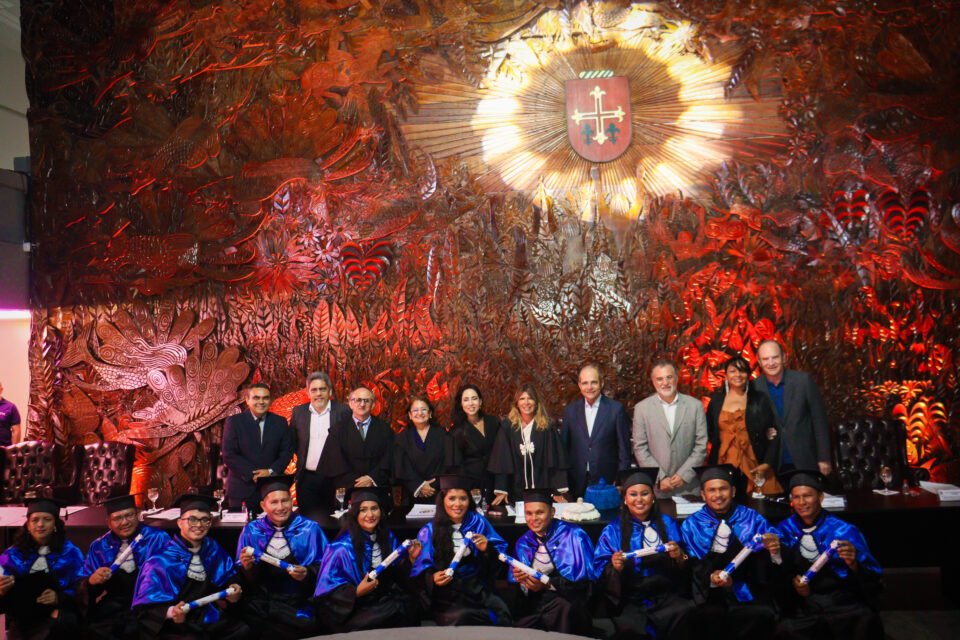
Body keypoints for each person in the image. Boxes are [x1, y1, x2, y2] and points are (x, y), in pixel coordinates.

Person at [774, 469, 883, 640]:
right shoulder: (783, 529)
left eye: (807, 496)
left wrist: (854, 564)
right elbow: (777, 573)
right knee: (786, 628)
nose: (801, 502)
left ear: (820, 497)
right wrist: (793, 585)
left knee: (864, 619)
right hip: (804, 602)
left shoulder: (843, 530)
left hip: (840, 600)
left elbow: (872, 575)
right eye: (796, 497)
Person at [594, 468, 697, 640]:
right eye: (633, 494)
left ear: (653, 497)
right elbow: (599, 570)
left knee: (684, 611)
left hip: (665, 594)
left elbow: (687, 561)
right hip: (630, 596)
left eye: (645, 494)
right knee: (631, 626)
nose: (639, 499)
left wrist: (680, 556)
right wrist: (615, 567)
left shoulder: (668, 523)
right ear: (625, 499)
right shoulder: (612, 530)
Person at [680, 465, 780, 640]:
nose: (718, 495)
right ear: (703, 495)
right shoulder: (692, 524)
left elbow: (771, 558)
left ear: (733, 491)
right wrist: (711, 578)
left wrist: (774, 549)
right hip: (709, 590)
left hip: (747, 586)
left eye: (723, 489)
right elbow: (690, 563)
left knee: (761, 613)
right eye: (711, 490)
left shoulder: (751, 518)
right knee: (704, 615)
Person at [132, 493, 251, 639]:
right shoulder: (160, 561)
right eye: (192, 520)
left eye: (205, 520)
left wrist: (234, 588)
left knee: (244, 630)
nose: (199, 525)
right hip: (177, 625)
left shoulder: (212, 547)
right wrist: (172, 612)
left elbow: (229, 577)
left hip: (209, 615)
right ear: (179, 523)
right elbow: (145, 609)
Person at [409, 475, 512, 626]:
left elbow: (500, 557)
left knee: (502, 613)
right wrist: (432, 577)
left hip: (477, 588)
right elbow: (420, 568)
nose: (457, 504)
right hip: (447, 593)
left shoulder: (479, 522)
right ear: (443, 501)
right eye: (452, 499)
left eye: (463, 498)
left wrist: (487, 549)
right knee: (463, 617)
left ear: (469, 500)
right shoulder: (430, 530)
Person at [314, 486, 420, 631]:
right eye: (363, 510)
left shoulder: (387, 537)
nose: (370, 515)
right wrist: (356, 592)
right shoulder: (340, 547)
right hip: (354, 606)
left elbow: (397, 574)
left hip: (383, 599)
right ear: (355, 513)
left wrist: (411, 559)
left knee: (408, 607)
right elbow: (325, 592)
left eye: (374, 508)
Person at [237, 475, 328, 638]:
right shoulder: (252, 530)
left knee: (308, 623)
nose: (280, 507)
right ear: (263, 505)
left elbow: (326, 568)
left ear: (292, 502)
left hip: (299, 601)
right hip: (263, 602)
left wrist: (308, 573)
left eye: (285, 501)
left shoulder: (310, 529)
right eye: (274, 502)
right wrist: (247, 567)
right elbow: (241, 577)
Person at [79, 491, 170, 639]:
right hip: (114, 605)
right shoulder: (99, 546)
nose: (124, 522)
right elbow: (84, 585)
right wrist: (91, 581)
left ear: (138, 515)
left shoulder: (158, 538)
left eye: (129, 515)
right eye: (117, 518)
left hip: (150, 605)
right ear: (108, 522)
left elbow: (170, 577)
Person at [509, 488, 596, 635]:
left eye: (540, 512)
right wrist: (523, 581)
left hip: (566, 601)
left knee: (563, 609)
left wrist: (547, 584)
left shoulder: (573, 535)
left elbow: (585, 585)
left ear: (552, 512)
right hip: (535, 604)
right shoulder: (523, 542)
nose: (534, 518)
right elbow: (520, 593)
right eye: (528, 513)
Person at [0, 496, 84, 639]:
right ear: (27, 525)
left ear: (55, 524)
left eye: (47, 519)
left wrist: (59, 598)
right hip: (23, 617)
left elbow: (81, 588)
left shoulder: (72, 553)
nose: (40, 524)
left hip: (58, 616)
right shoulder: (9, 554)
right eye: (35, 520)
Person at [753, 340, 832, 477]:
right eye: (765, 359)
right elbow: (753, 424)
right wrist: (763, 432)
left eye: (775, 357)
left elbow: (819, 421)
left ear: (784, 358)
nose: (771, 363)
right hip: (773, 462)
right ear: (759, 362)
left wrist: (824, 458)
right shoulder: (754, 387)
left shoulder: (803, 381)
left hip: (805, 458)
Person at [706, 356, 782, 497]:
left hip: (755, 465)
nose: (738, 375)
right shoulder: (716, 401)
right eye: (733, 371)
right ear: (726, 375)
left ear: (748, 374)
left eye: (742, 371)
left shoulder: (759, 399)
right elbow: (710, 431)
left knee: (759, 505)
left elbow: (774, 433)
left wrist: (767, 463)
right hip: (723, 465)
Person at [632, 358, 708, 497]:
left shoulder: (695, 406)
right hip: (658, 488)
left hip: (689, 487)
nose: (665, 383)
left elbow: (701, 445)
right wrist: (660, 477)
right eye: (659, 379)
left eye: (669, 377)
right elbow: (640, 447)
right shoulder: (642, 409)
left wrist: (684, 475)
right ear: (653, 382)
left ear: (677, 378)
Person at [560, 363, 632, 498]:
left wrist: (620, 481)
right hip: (576, 480)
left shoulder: (616, 409)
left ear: (601, 383)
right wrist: (563, 482)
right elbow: (563, 449)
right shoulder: (570, 411)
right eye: (585, 383)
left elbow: (624, 450)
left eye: (593, 382)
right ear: (579, 385)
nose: (589, 387)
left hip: (607, 481)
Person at [488, 385, 568, 505]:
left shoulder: (547, 427)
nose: (526, 402)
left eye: (530, 398)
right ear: (517, 403)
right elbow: (502, 460)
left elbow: (556, 460)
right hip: (516, 489)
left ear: (536, 402)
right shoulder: (508, 427)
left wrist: (558, 491)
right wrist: (502, 489)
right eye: (522, 398)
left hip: (543, 490)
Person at [222, 382, 295, 513]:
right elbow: (229, 454)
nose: (261, 402)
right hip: (241, 490)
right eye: (256, 398)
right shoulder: (234, 422)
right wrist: (253, 474)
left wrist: (270, 471)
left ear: (270, 400)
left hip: (271, 490)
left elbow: (286, 452)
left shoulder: (280, 422)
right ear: (247, 400)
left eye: (265, 398)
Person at [290, 371, 350, 513]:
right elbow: (293, 442)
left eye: (322, 389)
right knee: (308, 520)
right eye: (314, 390)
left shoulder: (344, 411)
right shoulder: (299, 412)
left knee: (336, 519)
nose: (318, 393)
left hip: (336, 479)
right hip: (307, 479)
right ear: (308, 393)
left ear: (329, 391)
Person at [320, 386, 394, 491]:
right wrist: (357, 482)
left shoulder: (385, 429)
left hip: (376, 487)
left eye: (366, 401)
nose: (362, 404)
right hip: (347, 489)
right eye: (358, 400)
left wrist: (371, 478)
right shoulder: (337, 430)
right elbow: (334, 462)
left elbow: (389, 458)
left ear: (373, 405)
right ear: (350, 403)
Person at [393, 394, 457, 504]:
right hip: (412, 493)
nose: (420, 413)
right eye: (415, 410)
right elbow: (401, 468)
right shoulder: (401, 439)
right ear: (410, 415)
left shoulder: (443, 435)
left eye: (423, 409)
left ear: (430, 413)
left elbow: (449, 464)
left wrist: (432, 485)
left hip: (438, 491)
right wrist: (419, 485)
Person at [449, 384, 501, 506]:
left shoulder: (493, 422)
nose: (471, 403)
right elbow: (457, 466)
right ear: (461, 404)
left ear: (480, 401)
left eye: (474, 398)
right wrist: (467, 489)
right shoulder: (456, 431)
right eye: (466, 400)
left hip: (496, 482)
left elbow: (503, 453)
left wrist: (502, 485)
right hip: (473, 486)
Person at [0, 380, 21, 446]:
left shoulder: (11, 407)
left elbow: (16, 431)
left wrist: (14, 449)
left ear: (1, 389)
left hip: (4, 448)